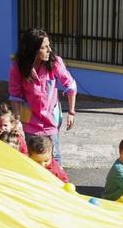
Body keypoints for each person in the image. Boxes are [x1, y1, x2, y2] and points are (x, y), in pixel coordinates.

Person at [9, 28, 77, 164]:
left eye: (49, 45)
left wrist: (71, 112)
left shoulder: (55, 62)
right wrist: (17, 122)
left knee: (54, 157)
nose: (49, 50)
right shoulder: (19, 67)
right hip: (29, 120)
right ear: (33, 50)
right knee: (32, 159)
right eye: (44, 47)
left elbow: (71, 85)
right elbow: (15, 95)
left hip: (50, 119)